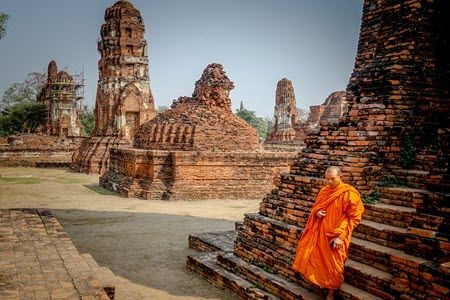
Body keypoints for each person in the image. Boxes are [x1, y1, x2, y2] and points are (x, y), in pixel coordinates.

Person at [292, 166, 364, 299]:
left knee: (334, 264)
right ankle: (321, 284)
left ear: (340, 177)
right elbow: (316, 207)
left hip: (336, 235)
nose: (330, 182)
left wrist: (340, 237)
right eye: (327, 179)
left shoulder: (349, 193)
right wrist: (317, 212)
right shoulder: (324, 190)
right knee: (316, 260)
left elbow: (353, 218)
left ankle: (331, 291)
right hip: (321, 233)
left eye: (333, 179)